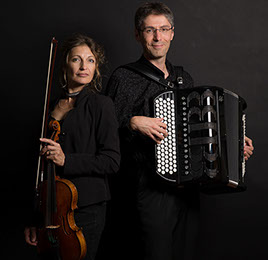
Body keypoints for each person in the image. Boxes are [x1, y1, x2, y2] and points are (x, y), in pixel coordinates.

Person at [105, 2, 254, 260]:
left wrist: (234, 145)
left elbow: (199, 135)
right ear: (137, 34)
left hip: (187, 189)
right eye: (150, 30)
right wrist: (131, 122)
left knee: (184, 253)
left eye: (163, 29)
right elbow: (103, 133)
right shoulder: (123, 77)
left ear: (172, 32)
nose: (157, 37)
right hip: (149, 187)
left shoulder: (184, 79)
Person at [24, 33, 120, 260]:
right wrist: (35, 218)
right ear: (65, 63)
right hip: (50, 209)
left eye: (90, 60)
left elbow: (112, 160)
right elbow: (38, 170)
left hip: (86, 208)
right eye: (77, 59)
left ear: (96, 67)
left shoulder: (101, 105)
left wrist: (66, 160)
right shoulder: (52, 106)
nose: (84, 66)